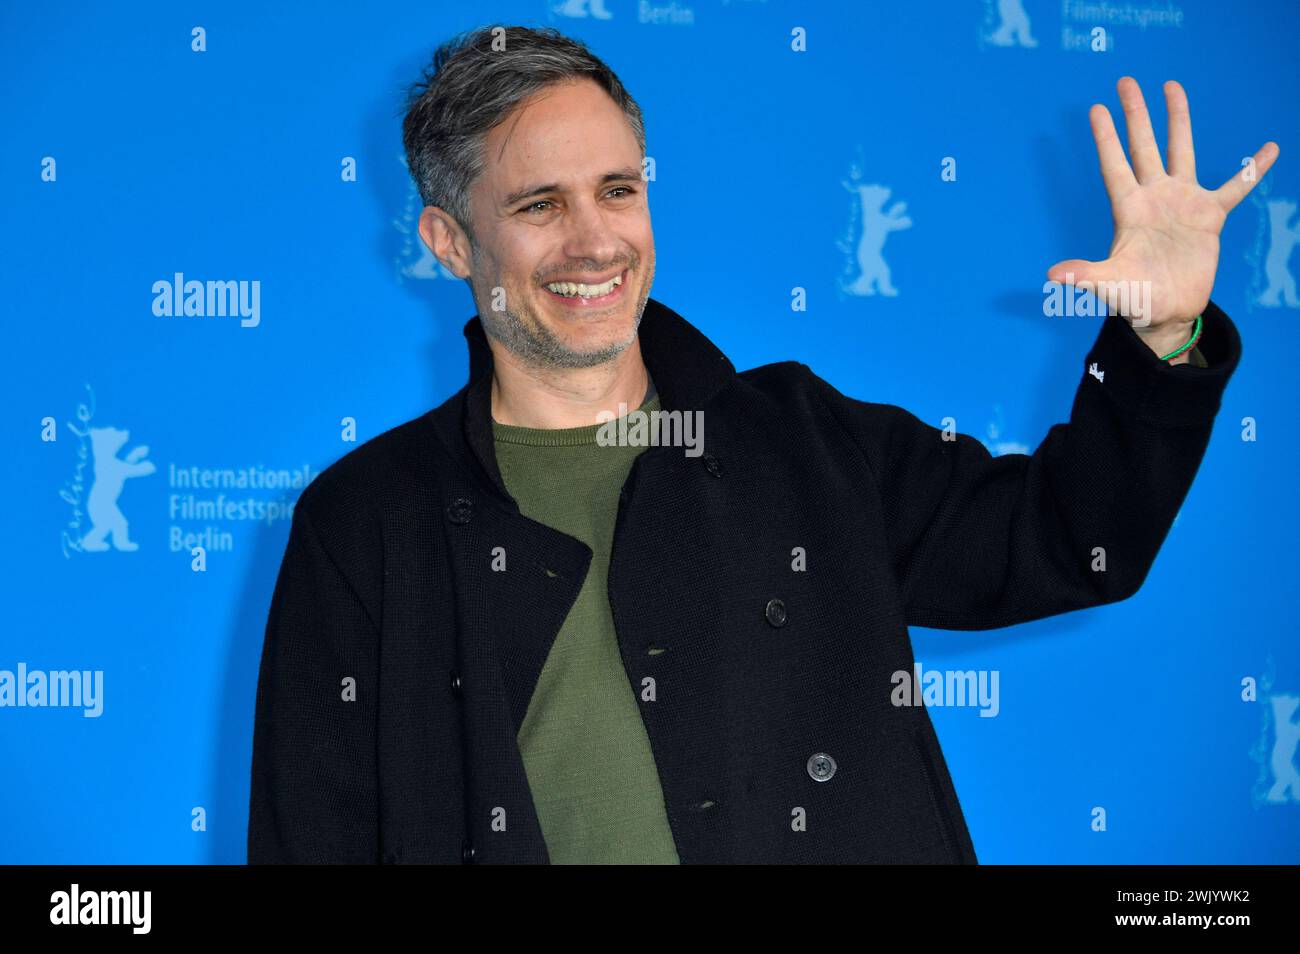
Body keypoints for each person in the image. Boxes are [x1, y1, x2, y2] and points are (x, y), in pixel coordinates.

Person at [247, 25, 1276, 863]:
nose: (595, 242)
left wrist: (1161, 336)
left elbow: (1070, 541)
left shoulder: (801, 438)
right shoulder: (365, 521)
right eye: (538, 205)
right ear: (448, 242)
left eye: (616, 189)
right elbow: (314, 838)